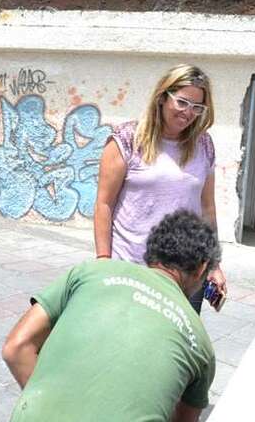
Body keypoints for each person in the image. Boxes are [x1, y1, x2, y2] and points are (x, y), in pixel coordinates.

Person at [2, 210, 219, 422]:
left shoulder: (89, 272)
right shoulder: (199, 341)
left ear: (152, 249)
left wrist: (64, 413)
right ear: (202, 268)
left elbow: (15, 348)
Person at [94, 64, 226, 313]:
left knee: (178, 337)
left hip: (186, 275)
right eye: (182, 102)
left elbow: (207, 208)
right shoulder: (127, 139)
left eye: (197, 107)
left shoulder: (204, 144)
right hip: (132, 269)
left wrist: (214, 264)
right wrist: (103, 262)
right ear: (163, 97)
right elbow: (104, 204)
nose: (189, 113)